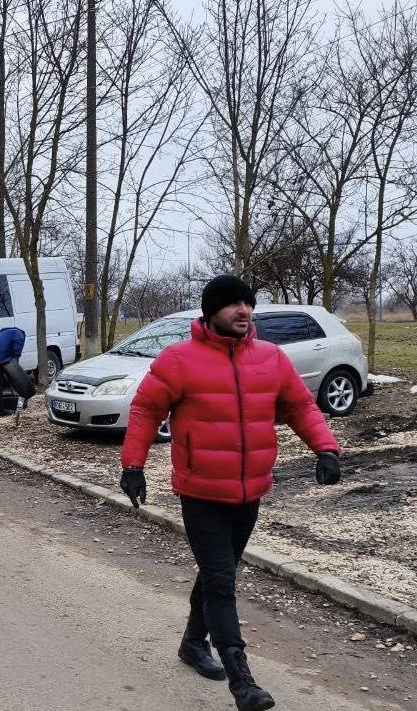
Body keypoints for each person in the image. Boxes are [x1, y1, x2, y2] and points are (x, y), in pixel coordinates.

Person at [117, 275, 341, 711]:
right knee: (221, 581)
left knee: (216, 572)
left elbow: (300, 406)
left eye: (248, 303)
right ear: (211, 311)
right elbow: (145, 409)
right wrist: (133, 465)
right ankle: (243, 683)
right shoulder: (179, 360)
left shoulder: (271, 358)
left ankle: (191, 643)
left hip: (250, 491)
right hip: (200, 493)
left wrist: (326, 449)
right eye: (233, 304)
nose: (244, 311)